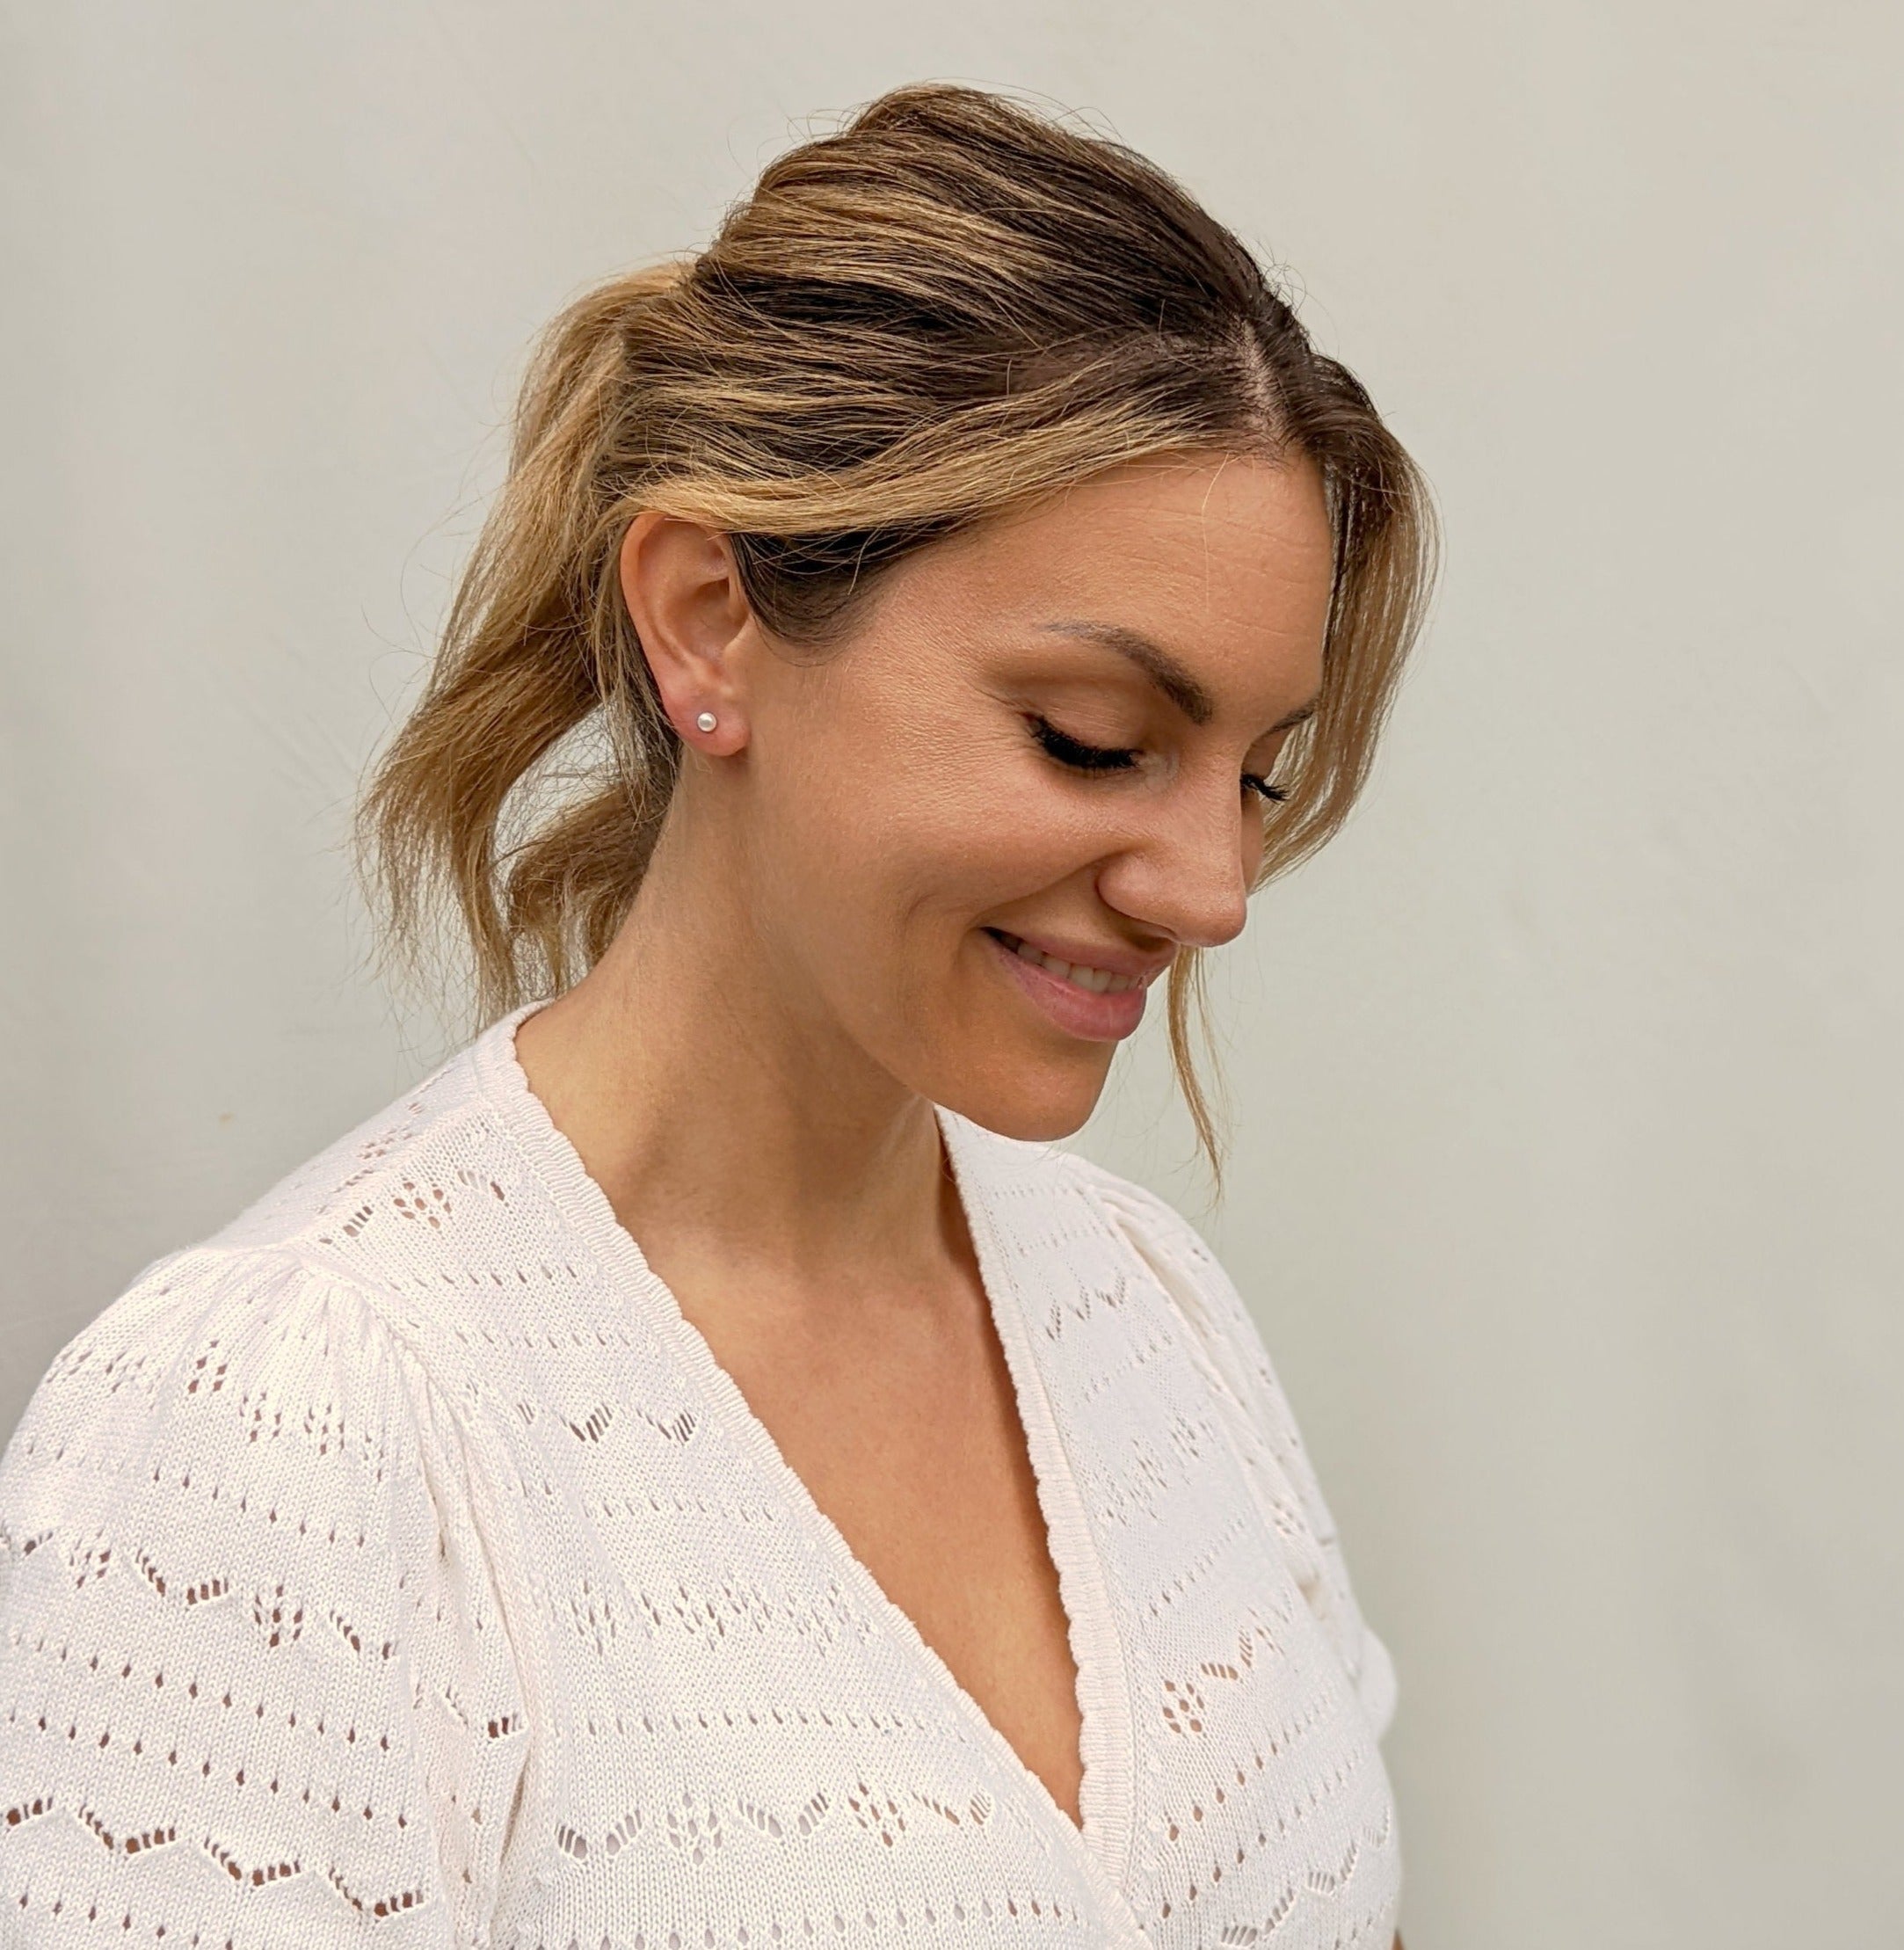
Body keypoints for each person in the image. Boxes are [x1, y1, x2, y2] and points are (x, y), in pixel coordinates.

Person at [0, 82, 1436, 1950]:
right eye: (1093, 737)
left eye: (1251, 772)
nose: (1209, 888)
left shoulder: (1151, 1322)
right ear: (703, 619)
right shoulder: (301, 1422)